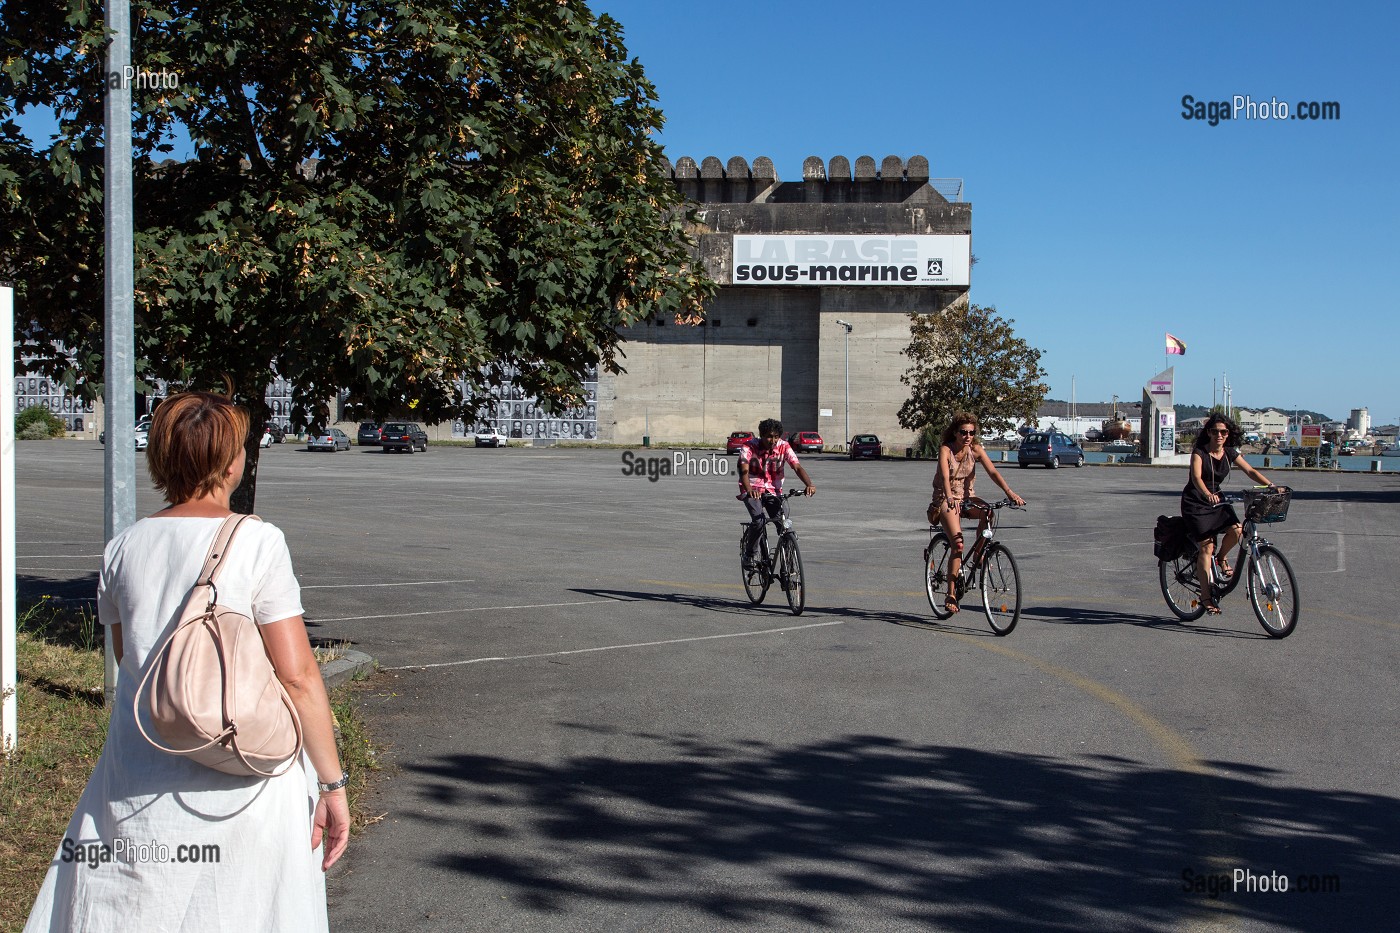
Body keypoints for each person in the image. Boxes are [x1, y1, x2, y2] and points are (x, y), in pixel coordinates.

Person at [25, 391, 349, 933]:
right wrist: (332, 785)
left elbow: (130, 657)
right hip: (241, 773)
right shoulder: (258, 541)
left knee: (131, 907)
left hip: (138, 769)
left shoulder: (123, 547)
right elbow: (297, 675)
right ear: (230, 462)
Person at [927, 412, 1026, 614]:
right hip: (945, 499)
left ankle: (979, 556)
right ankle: (951, 594)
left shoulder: (976, 450)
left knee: (989, 513)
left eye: (972, 432)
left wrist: (1010, 493)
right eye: (963, 432)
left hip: (967, 498)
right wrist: (950, 498)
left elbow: (993, 472)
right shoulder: (946, 450)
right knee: (958, 543)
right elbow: (945, 477)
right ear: (955, 432)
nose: (968, 436)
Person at [1181, 412, 1277, 615]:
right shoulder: (1200, 452)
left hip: (1217, 499)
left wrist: (1270, 485)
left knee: (1238, 531)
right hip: (1196, 502)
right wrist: (1207, 494)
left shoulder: (1229, 452)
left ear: (1228, 434)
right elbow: (1196, 477)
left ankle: (1221, 558)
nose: (1219, 435)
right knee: (1206, 548)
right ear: (1208, 433)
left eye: (1223, 432)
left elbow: (1250, 471)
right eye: (1215, 431)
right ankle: (1206, 597)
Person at [737, 418, 816, 569]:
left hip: (774, 492)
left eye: (775, 436)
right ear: (761, 435)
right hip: (753, 489)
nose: (772, 440)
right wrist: (749, 490)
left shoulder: (784, 446)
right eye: (768, 436)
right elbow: (743, 470)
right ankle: (750, 554)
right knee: (759, 521)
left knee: (785, 527)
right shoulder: (749, 446)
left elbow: (797, 467)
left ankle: (791, 570)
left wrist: (809, 485)